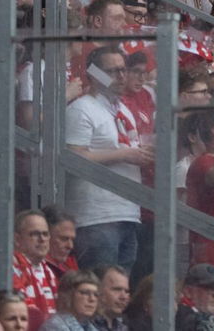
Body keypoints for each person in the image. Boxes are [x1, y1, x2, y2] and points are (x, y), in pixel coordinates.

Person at [65, 46, 148, 272]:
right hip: (95, 216)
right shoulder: (82, 109)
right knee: (99, 288)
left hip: (127, 212)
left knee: (117, 293)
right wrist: (124, 154)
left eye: (123, 70)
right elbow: (72, 158)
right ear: (93, 74)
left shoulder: (123, 109)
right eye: (112, 71)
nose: (121, 77)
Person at [10, 211, 59, 317]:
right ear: (17, 239)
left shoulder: (49, 271)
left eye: (45, 234)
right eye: (35, 234)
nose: (42, 239)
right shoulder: (12, 267)